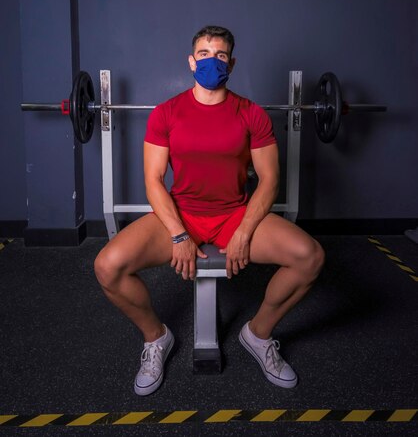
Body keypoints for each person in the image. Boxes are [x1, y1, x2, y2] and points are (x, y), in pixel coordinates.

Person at [94, 25, 325, 396]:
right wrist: (179, 234)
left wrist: (244, 231)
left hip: (235, 213)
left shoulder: (251, 114)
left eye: (220, 56)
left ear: (231, 63)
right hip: (181, 214)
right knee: (107, 266)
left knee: (310, 257)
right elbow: (153, 180)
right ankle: (156, 339)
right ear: (190, 61)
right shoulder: (167, 113)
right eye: (204, 54)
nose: (211, 62)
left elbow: (269, 180)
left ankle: (258, 334)